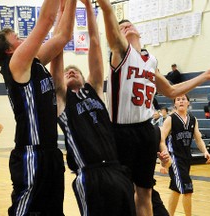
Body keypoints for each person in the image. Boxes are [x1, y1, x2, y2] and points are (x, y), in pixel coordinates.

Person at [96, 1, 210, 215]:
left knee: (145, 192)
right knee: (121, 191)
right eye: (121, 26)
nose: (126, 26)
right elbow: (109, 14)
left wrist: (204, 76)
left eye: (130, 24)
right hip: (120, 131)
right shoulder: (119, 52)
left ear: (139, 32)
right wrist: (105, 5)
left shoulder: (150, 60)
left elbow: (172, 91)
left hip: (146, 131)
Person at [0, 0, 77, 215]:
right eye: (17, 38)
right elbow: (46, 20)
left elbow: (62, 37)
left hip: (50, 151)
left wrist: (68, 5)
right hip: (31, 153)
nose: (22, 38)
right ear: (10, 50)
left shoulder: (34, 63)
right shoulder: (15, 64)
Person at [51, 0, 136, 215]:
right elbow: (56, 51)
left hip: (117, 169)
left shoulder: (95, 90)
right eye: (67, 73)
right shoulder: (62, 101)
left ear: (84, 77)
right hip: (90, 175)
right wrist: (60, 16)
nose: (71, 72)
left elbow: (96, 42)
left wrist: (89, 7)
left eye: (75, 71)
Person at [160, 94, 210, 216]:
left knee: (176, 189)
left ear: (188, 102)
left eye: (183, 99)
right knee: (188, 189)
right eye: (178, 99)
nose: (181, 101)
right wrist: (164, 161)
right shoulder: (170, 119)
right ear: (175, 104)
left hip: (186, 158)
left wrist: (205, 151)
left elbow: (198, 139)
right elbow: (161, 138)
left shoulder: (193, 120)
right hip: (174, 159)